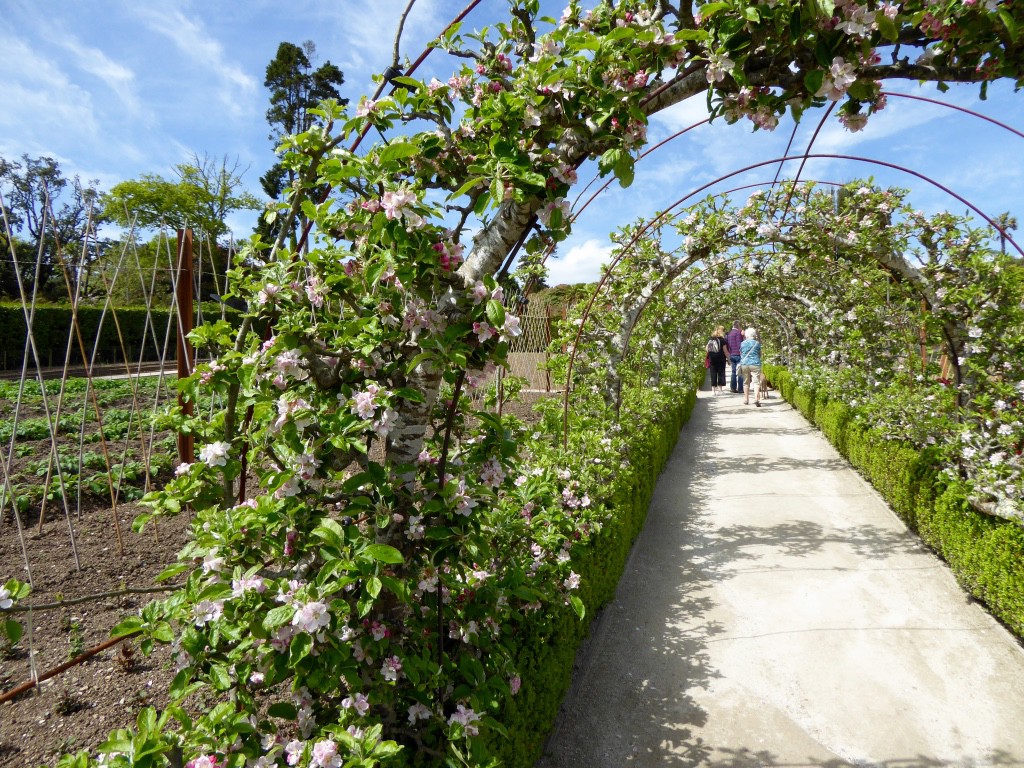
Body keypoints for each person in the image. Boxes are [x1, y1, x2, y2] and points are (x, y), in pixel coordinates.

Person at [739, 326, 763, 407]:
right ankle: (756, 399)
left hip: (745, 364)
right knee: (756, 382)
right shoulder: (757, 343)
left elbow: (741, 354)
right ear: (754, 335)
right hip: (755, 363)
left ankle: (746, 399)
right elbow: (760, 354)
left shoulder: (742, 343)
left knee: (746, 382)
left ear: (746, 335)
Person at [706, 325, 728, 394]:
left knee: (713, 373)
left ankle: (713, 390)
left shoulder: (711, 339)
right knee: (721, 373)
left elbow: (707, 349)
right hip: (721, 359)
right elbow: (725, 351)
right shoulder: (722, 340)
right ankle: (720, 390)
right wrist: (729, 359)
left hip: (712, 359)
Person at [726, 321, 744, 393]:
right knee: (740, 372)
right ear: (738, 326)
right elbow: (739, 345)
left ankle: (733, 388)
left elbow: (727, 345)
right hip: (738, 355)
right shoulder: (738, 333)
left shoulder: (729, 333)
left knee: (733, 372)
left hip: (731, 354)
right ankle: (740, 388)